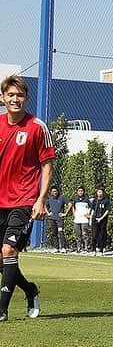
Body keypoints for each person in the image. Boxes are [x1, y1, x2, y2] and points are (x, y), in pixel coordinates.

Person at [0, 75, 55, 321]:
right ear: (3, 98)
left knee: (9, 249)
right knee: (2, 260)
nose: (15, 99)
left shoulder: (37, 127)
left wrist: (41, 199)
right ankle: (30, 289)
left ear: (26, 98)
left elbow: (47, 165)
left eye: (19, 95)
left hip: (23, 200)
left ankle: (1, 310)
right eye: (10, 95)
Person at [45, 185, 70, 252]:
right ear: (51, 192)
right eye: (53, 191)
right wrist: (48, 213)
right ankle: (56, 248)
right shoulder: (49, 199)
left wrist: (65, 213)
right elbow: (45, 206)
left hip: (60, 219)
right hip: (52, 218)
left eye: (55, 191)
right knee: (54, 233)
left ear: (58, 191)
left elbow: (70, 204)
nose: (54, 192)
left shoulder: (62, 198)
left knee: (60, 232)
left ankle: (63, 248)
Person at [89, 186, 111, 254]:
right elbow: (92, 210)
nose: (99, 193)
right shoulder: (95, 200)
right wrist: (90, 219)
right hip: (95, 219)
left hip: (102, 220)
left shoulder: (106, 201)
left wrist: (101, 218)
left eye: (100, 192)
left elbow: (107, 210)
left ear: (103, 193)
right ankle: (93, 249)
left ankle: (100, 249)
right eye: (98, 192)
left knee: (101, 235)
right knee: (94, 235)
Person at [71, 186, 91, 252]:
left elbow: (91, 207)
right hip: (77, 219)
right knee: (78, 234)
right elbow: (73, 207)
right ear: (77, 192)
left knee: (85, 233)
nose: (80, 192)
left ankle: (86, 247)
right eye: (79, 191)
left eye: (82, 191)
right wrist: (74, 214)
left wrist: (89, 215)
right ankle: (78, 247)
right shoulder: (75, 199)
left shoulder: (87, 199)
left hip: (84, 219)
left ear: (84, 192)